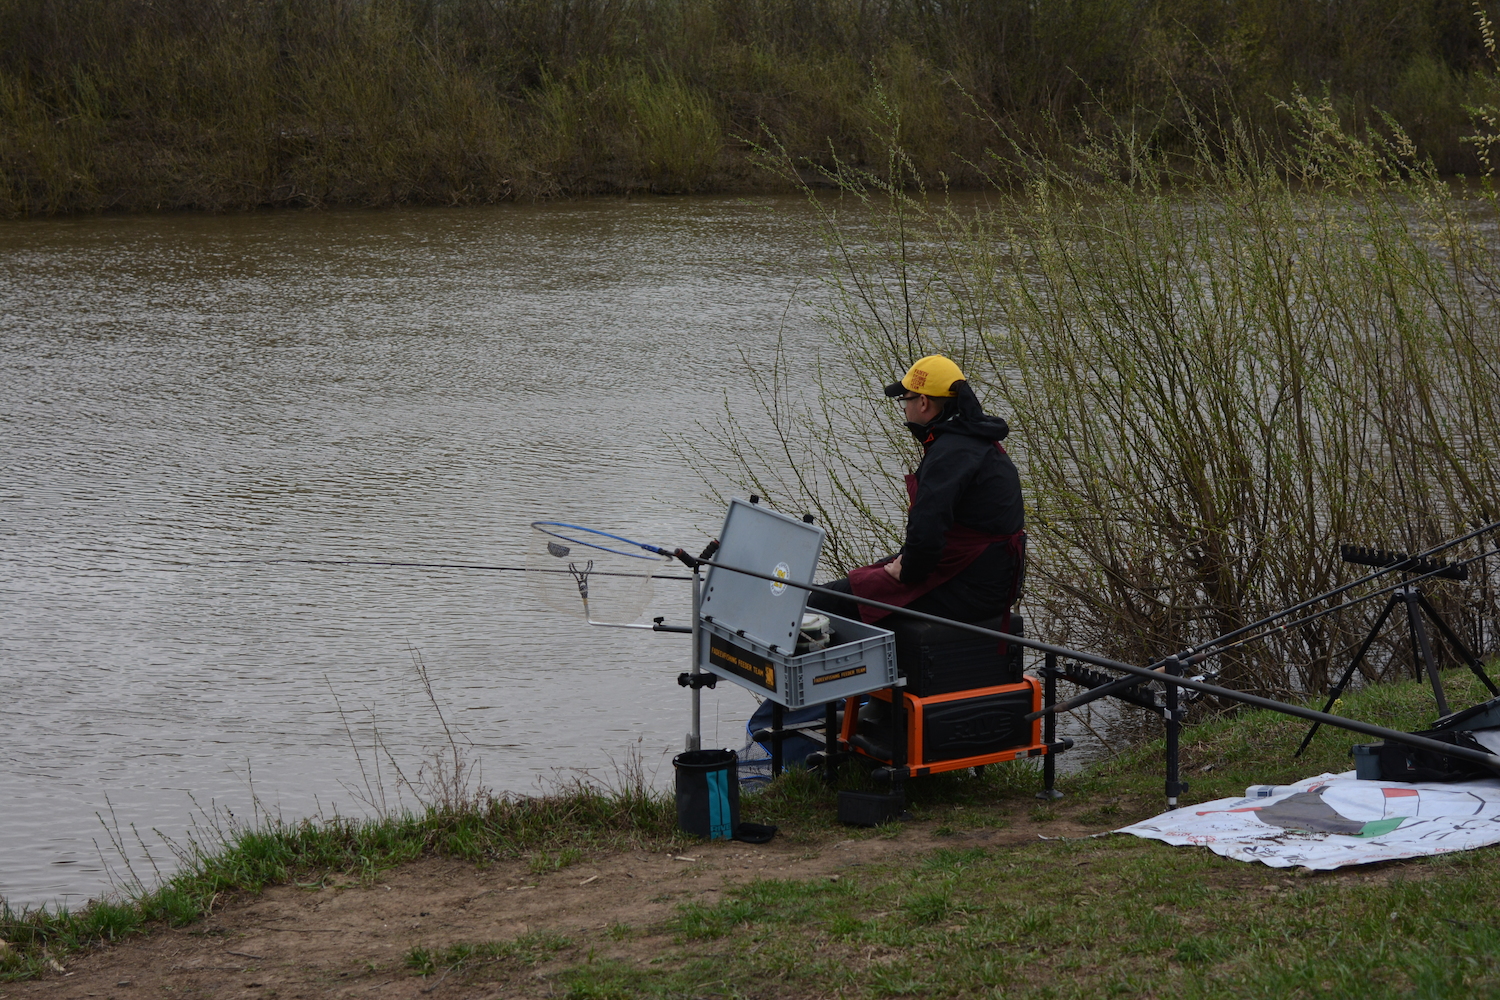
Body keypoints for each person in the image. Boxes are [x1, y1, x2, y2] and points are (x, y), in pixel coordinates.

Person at [808, 354, 1025, 628]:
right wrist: (903, 562)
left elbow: (927, 529)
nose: (904, 408)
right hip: (991, 580)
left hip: (970, 588)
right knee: (863, 577)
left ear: (923, 402)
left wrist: (908, 570)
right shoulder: (975, 439)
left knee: (822, 602)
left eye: (905, 400)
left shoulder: (950, 453)